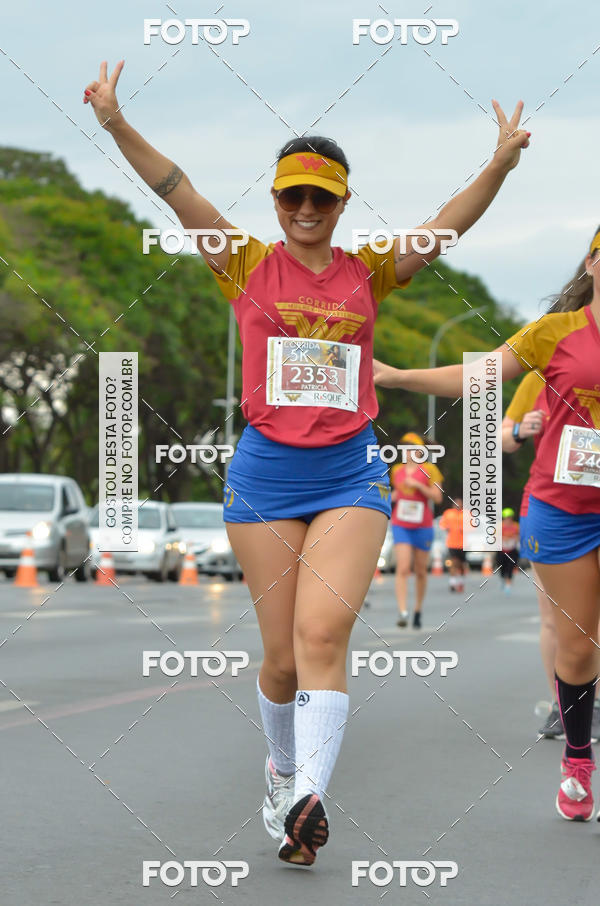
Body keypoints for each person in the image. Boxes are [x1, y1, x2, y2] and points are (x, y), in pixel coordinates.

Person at [83, 61, 530, 862]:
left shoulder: (371, 272)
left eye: (320, 198)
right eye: (291, 195)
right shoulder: (243, 261)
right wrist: (115, 122)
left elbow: (447, 226)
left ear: (341, 204)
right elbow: (175, 186)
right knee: (283, 659)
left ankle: (311, 800)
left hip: (349, 474)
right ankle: (284, 773)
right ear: (276, 200)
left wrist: (497, 164)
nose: (304, 210)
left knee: (324, 634)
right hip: (264, 476)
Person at [372, 225, 600, 822]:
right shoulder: (556, 335)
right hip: (563, 509)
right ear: (593, 264)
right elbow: (479, 377)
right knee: (577, 648)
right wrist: (396, 376)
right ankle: (578, 761)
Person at [502, 332, 600, 742]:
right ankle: (567, 708)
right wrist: (522, 430)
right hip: (552, 505)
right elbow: (501, 438)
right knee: (554, 618)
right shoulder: (535, 378)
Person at [391, 433, 443, 627]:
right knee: (403, 567)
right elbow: (397, 492)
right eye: (404, 448)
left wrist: (419, 486)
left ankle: (417, 610)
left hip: (423, 525)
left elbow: (437, 497)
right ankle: (402, 611)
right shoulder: (397, 470)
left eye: (412, 448)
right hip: (401, 523)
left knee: (420, 570)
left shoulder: (430, 469)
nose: (408, 452)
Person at [439, 497, 466, 593]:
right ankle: (452, 583)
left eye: (459, 504)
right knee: (453, 562)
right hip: (452, 543)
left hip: (463, 544)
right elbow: (442, 524)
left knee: (461, 564)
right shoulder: (448, 513)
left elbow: (472, 526)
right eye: (456, 504)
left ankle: (461, 581)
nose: (457, 505)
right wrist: (446, 527)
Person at [497, 507, 520, 593]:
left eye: (510, 517)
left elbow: (519, 536)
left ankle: (508, 585)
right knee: (502, 567)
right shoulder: (500, 526)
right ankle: (503, 579)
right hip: (502, 550)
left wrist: (515, 538)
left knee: (510, 567)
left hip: (512, 549)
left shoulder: (516, 526)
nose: (508, 520)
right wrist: (504, 538)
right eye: (506, 518)